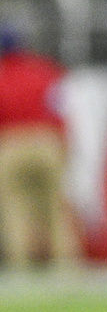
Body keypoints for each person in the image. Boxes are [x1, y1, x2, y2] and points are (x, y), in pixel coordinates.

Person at [0, 30, 79, 268]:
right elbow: (62, 111)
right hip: (47, 142)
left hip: (11, 143)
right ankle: (67, 267)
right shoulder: (45, 70)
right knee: (56, 209)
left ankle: (21, 268)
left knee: (14, 210)